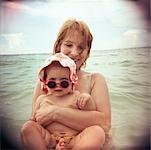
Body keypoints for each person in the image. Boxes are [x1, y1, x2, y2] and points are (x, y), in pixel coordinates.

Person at [21, 18, 111, 150]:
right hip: (51, 141)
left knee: (99, 134)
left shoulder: (95, 80)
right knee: (27, 129)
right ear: (58, 46)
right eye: (68, 45)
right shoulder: (44, 82)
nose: (74, 52)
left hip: (81, 142)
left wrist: (54, 112)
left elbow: (104, 124)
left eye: (81, 47)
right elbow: (36, 120)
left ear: (87, 52)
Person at [29, 52, 99, 149]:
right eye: (52, 83)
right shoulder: (42, 99)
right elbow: (33, 120)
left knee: (97, 131)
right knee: (28, 127)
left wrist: (87, 99)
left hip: (74, 139)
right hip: (50, 139)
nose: (58, 85)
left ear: (72, 82)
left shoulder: (76, 96)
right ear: (45, 83)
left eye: (64, 82)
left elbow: (90, 111)